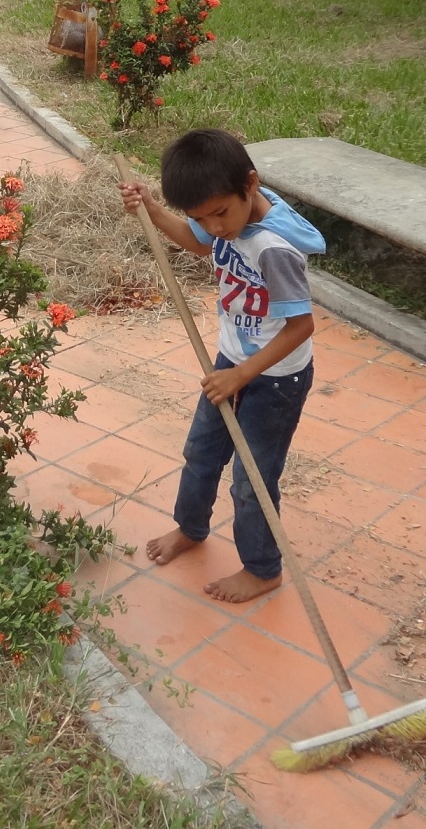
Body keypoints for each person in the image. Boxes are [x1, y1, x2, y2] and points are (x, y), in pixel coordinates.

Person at [118, 129, 325, 604]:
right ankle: (190, 528)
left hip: (274, 380)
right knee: (201, 452)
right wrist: (152, 209)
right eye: (201, 217)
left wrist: (243, 375)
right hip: (230, 361)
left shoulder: (273, 247)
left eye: (220, 214)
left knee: (252, 478)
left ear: (249, 184)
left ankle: (262, 568)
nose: (214, 227)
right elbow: (196, 244)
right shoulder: (223, 222)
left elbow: (301, 327)